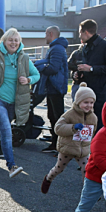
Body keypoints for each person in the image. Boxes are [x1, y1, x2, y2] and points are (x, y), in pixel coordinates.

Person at [0, 28, 40, 177]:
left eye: (16, 40)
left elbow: (36, 74)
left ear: (20, 43)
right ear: (4, 41)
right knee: (6, 131)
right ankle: (11, 166)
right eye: (10, 40)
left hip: (14, 104)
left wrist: (28, 80)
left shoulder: (24, 58)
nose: (13, 42)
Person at [40, 82, 96, 193]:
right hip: (68, 148)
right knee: (59, 169)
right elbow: (58, 128)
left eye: (91, 103)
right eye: (85, 102)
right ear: (78, 102)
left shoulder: (93, 117)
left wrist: (91, 145)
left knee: (87, 170)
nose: (88, 105)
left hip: (83, 150)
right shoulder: (70, 114)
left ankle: (89, 192)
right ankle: (48, 179)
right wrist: (73, 127)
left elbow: (93, 133)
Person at [32, 26, 69, 154]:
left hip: (56, 87)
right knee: (53, 116)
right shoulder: (56, 48)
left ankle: (58, 145)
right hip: (53, 87)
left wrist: (40, 67)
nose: (45, 37)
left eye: (45, 34)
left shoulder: (57, 48)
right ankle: (55, 143)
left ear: (50, 33)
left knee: (56, 116)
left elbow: (53, 68)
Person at [75, 19, 106, 126]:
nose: (79, 36)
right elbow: (86, 67)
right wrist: (78, 74)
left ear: (86, 32)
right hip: (88, 93)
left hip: (103, 94)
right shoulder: (85, 48)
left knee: (100, 125)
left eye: (80, 33)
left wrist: (91, 69)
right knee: (87, 125)